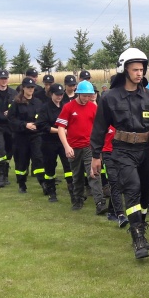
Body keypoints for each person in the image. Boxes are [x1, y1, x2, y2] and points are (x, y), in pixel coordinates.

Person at [89, 48, 149, 260]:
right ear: (124, 70)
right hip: (122, 151)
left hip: (146, 150)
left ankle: (141, 228)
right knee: (132, 188)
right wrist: (96, 156)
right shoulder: (110, 97)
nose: (139, 73)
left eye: (142, 69)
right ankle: (137, 238)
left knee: (145, 193)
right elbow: (99, 128)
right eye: (135, 69)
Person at [58, 81, 104, 212]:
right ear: (78, 94)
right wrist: (66, 147)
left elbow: (98, 127)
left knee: (93, 173)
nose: (87, 99)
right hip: (73, 147)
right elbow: (61, 128)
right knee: (77, 174)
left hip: (89, 147)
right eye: (84, 96)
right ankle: (78, 199)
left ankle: (99, 202)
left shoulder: (93, 107)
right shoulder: (68, 107)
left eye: (89, 96)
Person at [8, 77, 45, 194]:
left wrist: (37, 125)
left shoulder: (38, 102)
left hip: (36, 135)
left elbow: (42, 117)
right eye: (28, 87)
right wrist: (25, 125)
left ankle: (43, 183)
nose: (30, 89)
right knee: (22, 161)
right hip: (21, 137)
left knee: (39, 159)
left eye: (32, 87)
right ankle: (21, 183)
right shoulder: (16, 103)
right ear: (23, 88)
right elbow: (11, 119)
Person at [36, 83, 71, 203]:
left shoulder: (65, 106)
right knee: (49, 167)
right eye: (57, 94)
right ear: (51, 94)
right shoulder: (44, 108)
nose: (60, 96)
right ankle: (52, 192)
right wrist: (60, 130)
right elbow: (42, 125)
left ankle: (73, 192)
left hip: (63, 141)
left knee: (68, 166)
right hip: (48, 142)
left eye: (61, 94)